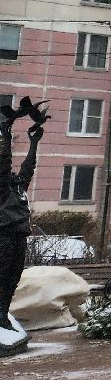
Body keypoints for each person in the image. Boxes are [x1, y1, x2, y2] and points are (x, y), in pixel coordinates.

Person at [0, 100, 46, 324]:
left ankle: (2, 314)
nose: (17, 175)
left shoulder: (19, 186)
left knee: (13, 277)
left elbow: (29, 167)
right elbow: (5, 162)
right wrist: (6, 136)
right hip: (4, 235)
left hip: (19, 234)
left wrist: (34, 143)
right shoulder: (2, 187)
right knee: (2, 275)